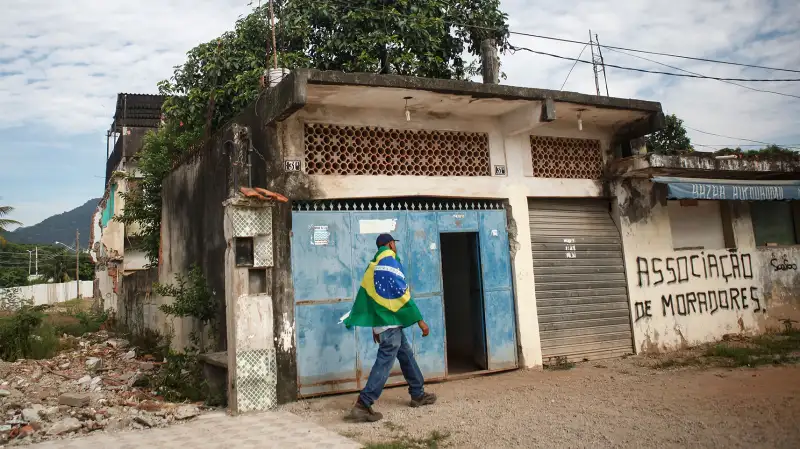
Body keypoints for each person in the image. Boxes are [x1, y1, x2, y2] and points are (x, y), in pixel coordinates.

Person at [342, 233, 437, 422]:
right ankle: (363, 403)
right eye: (394, 244)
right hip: (391, 324)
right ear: (391, 244)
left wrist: (374, 326)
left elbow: (370, 297)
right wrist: (419, 320)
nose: (396, 247)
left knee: (407, 356)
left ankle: (418, 394)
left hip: (384, 323)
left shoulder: (374, 264)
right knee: (384, 363)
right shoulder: (390, 261)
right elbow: (402, 293)